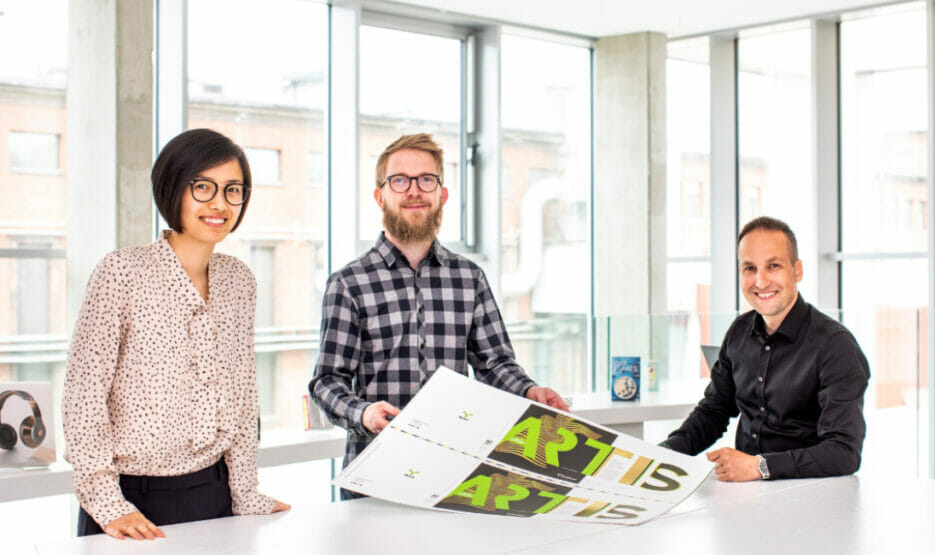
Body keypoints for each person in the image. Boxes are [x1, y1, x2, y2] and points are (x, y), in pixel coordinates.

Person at [309, 133, 568, 497]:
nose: (414, 190)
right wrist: (364, 413)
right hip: (375, 479)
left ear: (442, 195)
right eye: (399, 180)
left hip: (456, 475)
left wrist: (529, 390)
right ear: (380, 196)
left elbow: (494, 364)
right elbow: (326, 382)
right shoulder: (349, 284)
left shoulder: (469, 277)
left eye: (426, 180)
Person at [62, 129, 290, 540]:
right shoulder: (121, 273)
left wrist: (244, 492)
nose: (219, 203)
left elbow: (244, 393)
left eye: (233, 189)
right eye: (202, 187)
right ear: (172, 188)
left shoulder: (239, 280)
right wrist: (108, 504)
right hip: (132, 501)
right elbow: (84, 395)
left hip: (215, 494)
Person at [662, 216, 869, 481]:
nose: (760, 282)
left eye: (773, 266)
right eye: (749, 268)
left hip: (811, 496)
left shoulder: (836, 346)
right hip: (745, 496)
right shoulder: (739, 332)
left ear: (797, 271)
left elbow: (844, 452)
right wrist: (665, 454)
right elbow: (714, 411)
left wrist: (759, 466)